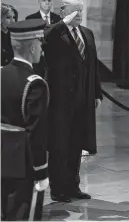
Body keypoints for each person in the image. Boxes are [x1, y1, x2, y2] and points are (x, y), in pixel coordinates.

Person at [44, 0, 102, 203]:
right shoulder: (54, 32)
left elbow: (93, 66)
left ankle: (73, 185)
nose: (79, 14)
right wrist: (63, 24)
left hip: (83, 99)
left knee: (76, 144)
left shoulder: (87, 33)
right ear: (63, 11)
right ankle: (58, 189)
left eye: (81, 10)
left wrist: (96, 93)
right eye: (74, 10)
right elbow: (46, 38)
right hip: (60, 100)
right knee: (60, 145)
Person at [1, 19, 50, 220]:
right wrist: (41, 172)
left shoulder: (1, 74)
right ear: (31, 47)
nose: (41, 49)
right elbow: (36, 132)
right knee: (23, 215)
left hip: (3, 157)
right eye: (40, 43)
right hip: (24, 163)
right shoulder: (35, 84)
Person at [26, 0, 62, 77]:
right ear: (39, 2)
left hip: (55, 59)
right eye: (44, 0)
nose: (47, 3)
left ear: (52, 2)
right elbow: (29, 39)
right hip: (37, 59)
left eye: (49, 0)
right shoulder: (31, 19)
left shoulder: (58, 19)